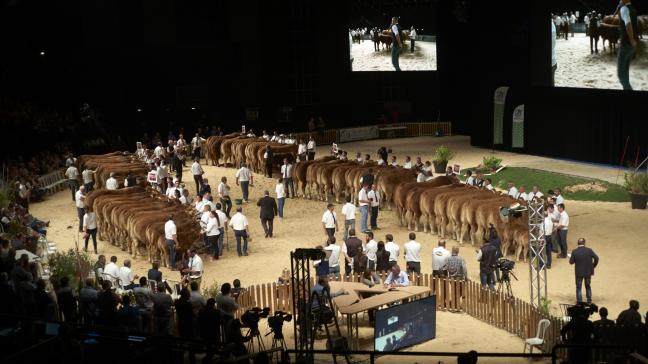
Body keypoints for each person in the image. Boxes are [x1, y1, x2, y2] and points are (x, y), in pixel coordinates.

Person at [569, 238, 599, 304]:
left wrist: (571, 257)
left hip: (579, 273)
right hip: (588, 272)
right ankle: (589, 301)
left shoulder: (574, 251)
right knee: (588, 286)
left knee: (578, 287)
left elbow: (571, 262)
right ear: (584, 243)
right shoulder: (589, 250)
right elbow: (596, 258)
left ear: (578, 243)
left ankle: (579, 301)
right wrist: (593, 266)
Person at [617, 0, 638, 90]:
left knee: (621, 74)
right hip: (632, 46)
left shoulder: (624, 8)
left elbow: (628, 24)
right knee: (625, 71)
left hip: (626, 44)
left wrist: (631, 39)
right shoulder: (633, 9)